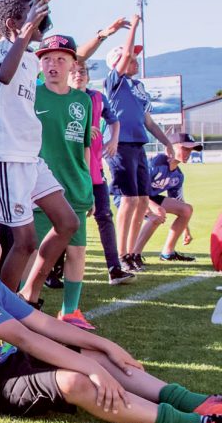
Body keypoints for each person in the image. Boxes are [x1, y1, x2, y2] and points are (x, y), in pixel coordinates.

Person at [0, 206, 222, 423]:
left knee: (96, 355)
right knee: (76, 381)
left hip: (8, 361)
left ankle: (196, 401)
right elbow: (24, 338)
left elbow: (42, 322)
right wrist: (90, 369)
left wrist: (105, 346)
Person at [0, 0, 79, 303]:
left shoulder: (31, 60)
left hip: (28, 156)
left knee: (67, 223)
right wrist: (22, 34)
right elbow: (5, 76)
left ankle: (29, 293)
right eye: (31, 16)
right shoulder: (3, 49)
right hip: (3, 154)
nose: (39, 21)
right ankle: (2, 316)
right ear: (12, 23)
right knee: (24, 241)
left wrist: (39, 3)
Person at [21, 34, 94, 326]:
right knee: (34, 250)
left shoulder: (83, 101)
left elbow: (84, 147)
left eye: (61, 59)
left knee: (76, 251)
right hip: (38, 188)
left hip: (75, 187)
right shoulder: (30, 94)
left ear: (72, 64)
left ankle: (71, 311)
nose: (53, 65)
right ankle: (23, 307)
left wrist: (88, 184)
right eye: (47, 59)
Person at [103, 16, 178, 272]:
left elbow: (148, 121)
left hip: (137, 145)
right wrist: (133, 27)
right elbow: (124, 59)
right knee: (128, 200)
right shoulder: (115, 81)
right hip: (120, 144)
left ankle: (133, 251)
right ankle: (121, 253)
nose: (134, 61)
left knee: (141, 199)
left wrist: (167, 142)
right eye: (130, 58)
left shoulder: (138, 87)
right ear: (117, 63)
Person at [68, 42, 133, 285]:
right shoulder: (63, 98)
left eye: (82, 71)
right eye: (74, 71)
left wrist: (113, 140)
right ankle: (53, 271)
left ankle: (114, 268)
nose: (78, 75)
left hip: (94, 170)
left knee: (104, 216)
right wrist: (86, 131)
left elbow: (114, 121)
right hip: (71, 171)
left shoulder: (97, 98)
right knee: (68, 221)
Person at [135, 132, 201, 262]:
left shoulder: (178, 175)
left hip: (148, 197)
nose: (189, 153)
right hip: (132, 196)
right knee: (159, 213)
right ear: (170, 147)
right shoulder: (155, 163)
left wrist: (185, 230)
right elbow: (136, 189)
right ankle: (134, 255)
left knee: (186, 209)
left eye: (191, 150)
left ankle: (168, 253)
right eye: (185, 148)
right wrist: (154, 209)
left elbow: (178, 201)